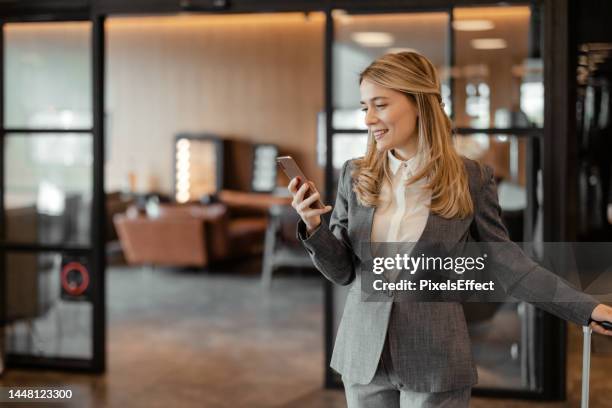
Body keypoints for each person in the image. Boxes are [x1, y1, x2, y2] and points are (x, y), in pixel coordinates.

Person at [287, 51, 612, 408]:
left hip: (435, 358)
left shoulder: (471, 177)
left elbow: (511, 265)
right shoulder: (355, 175)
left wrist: (585, 308)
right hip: (363, 354)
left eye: (380, 104)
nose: (369, 119)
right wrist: (314, 225)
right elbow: (344, 271)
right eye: (365, 107)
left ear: (419, 103)